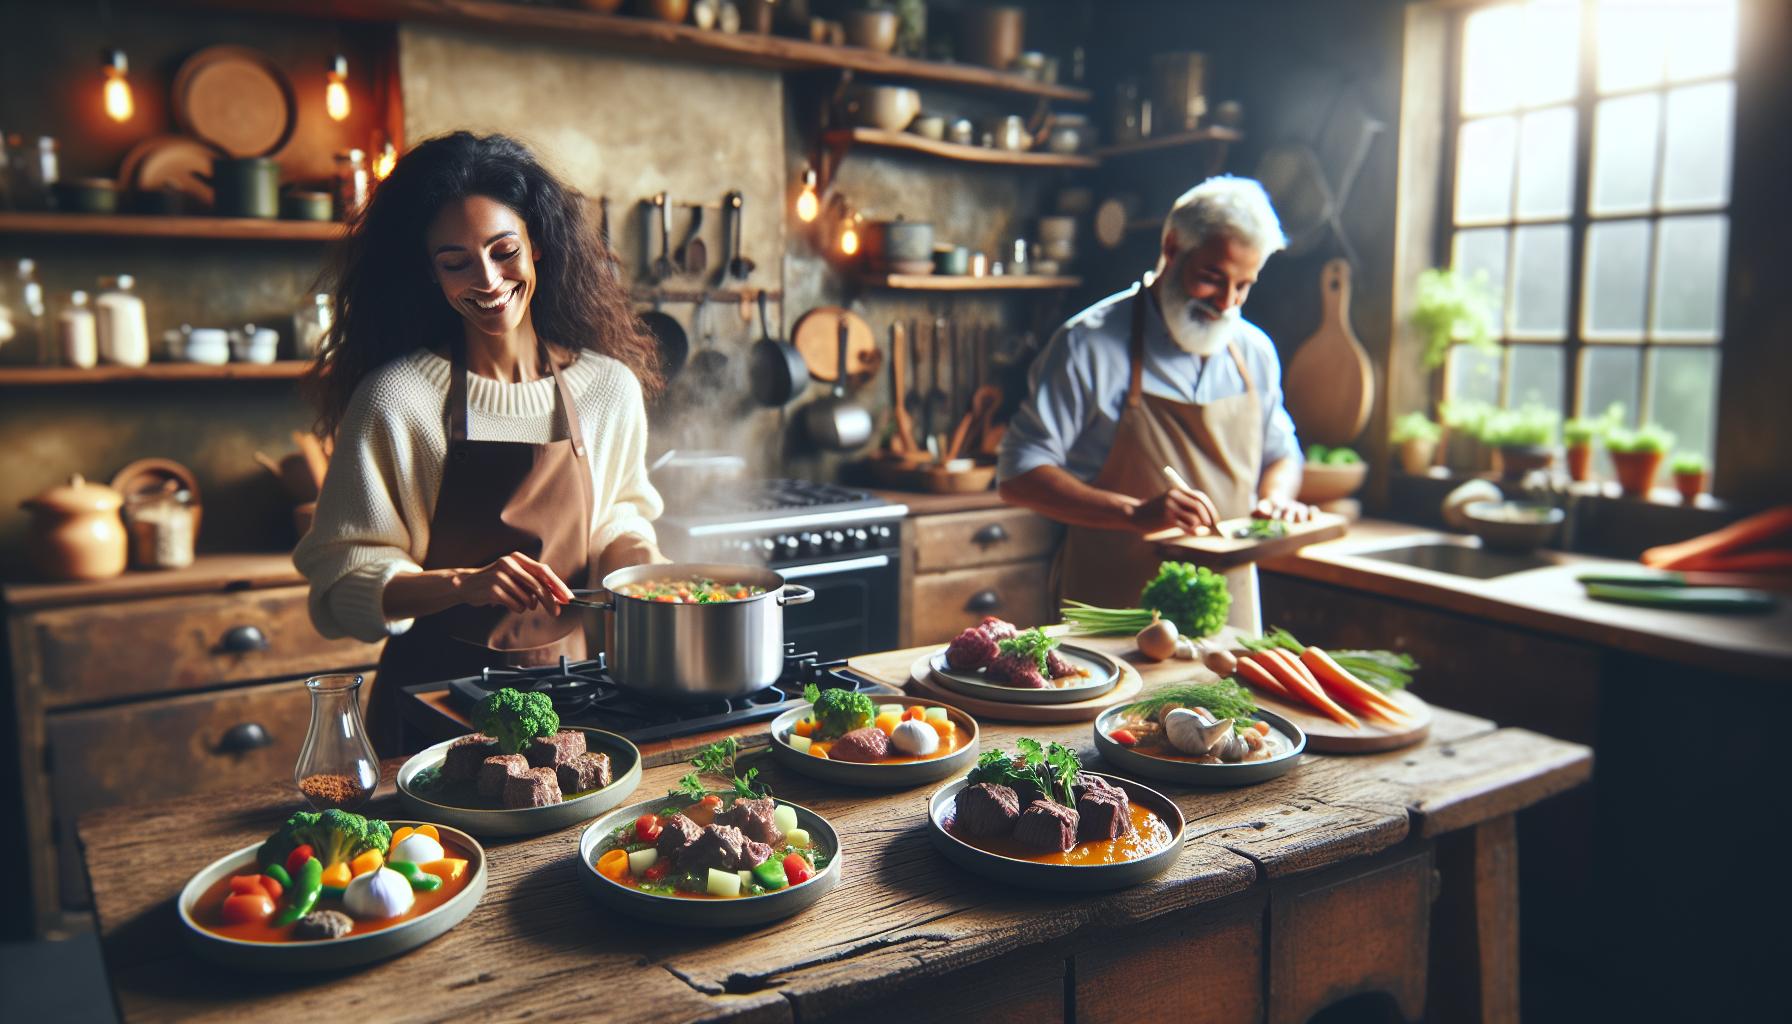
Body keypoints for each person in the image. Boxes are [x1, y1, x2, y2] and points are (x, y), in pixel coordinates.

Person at [295, 132, 665, 753]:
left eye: (504, 250)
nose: (488, 280)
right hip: (432, 706)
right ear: (429, 272)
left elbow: (617, 516)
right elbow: (341, 576)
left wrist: (639, 565)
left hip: (578, 697)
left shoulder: (608, 388)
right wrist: (462, 584)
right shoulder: (397, 399)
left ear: (537, 245)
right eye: (456, 262)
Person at [997, 175, 1310, 612]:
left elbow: (1282, 453)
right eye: (1212, 278)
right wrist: (1133, 514)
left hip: (1228, 606)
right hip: (1112, 608)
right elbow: (1018, 474)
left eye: (1243, 285)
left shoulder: (1254, 351)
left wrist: (1277, 500)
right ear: (1171, 247)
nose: (1226, 303)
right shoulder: (1089, 345)